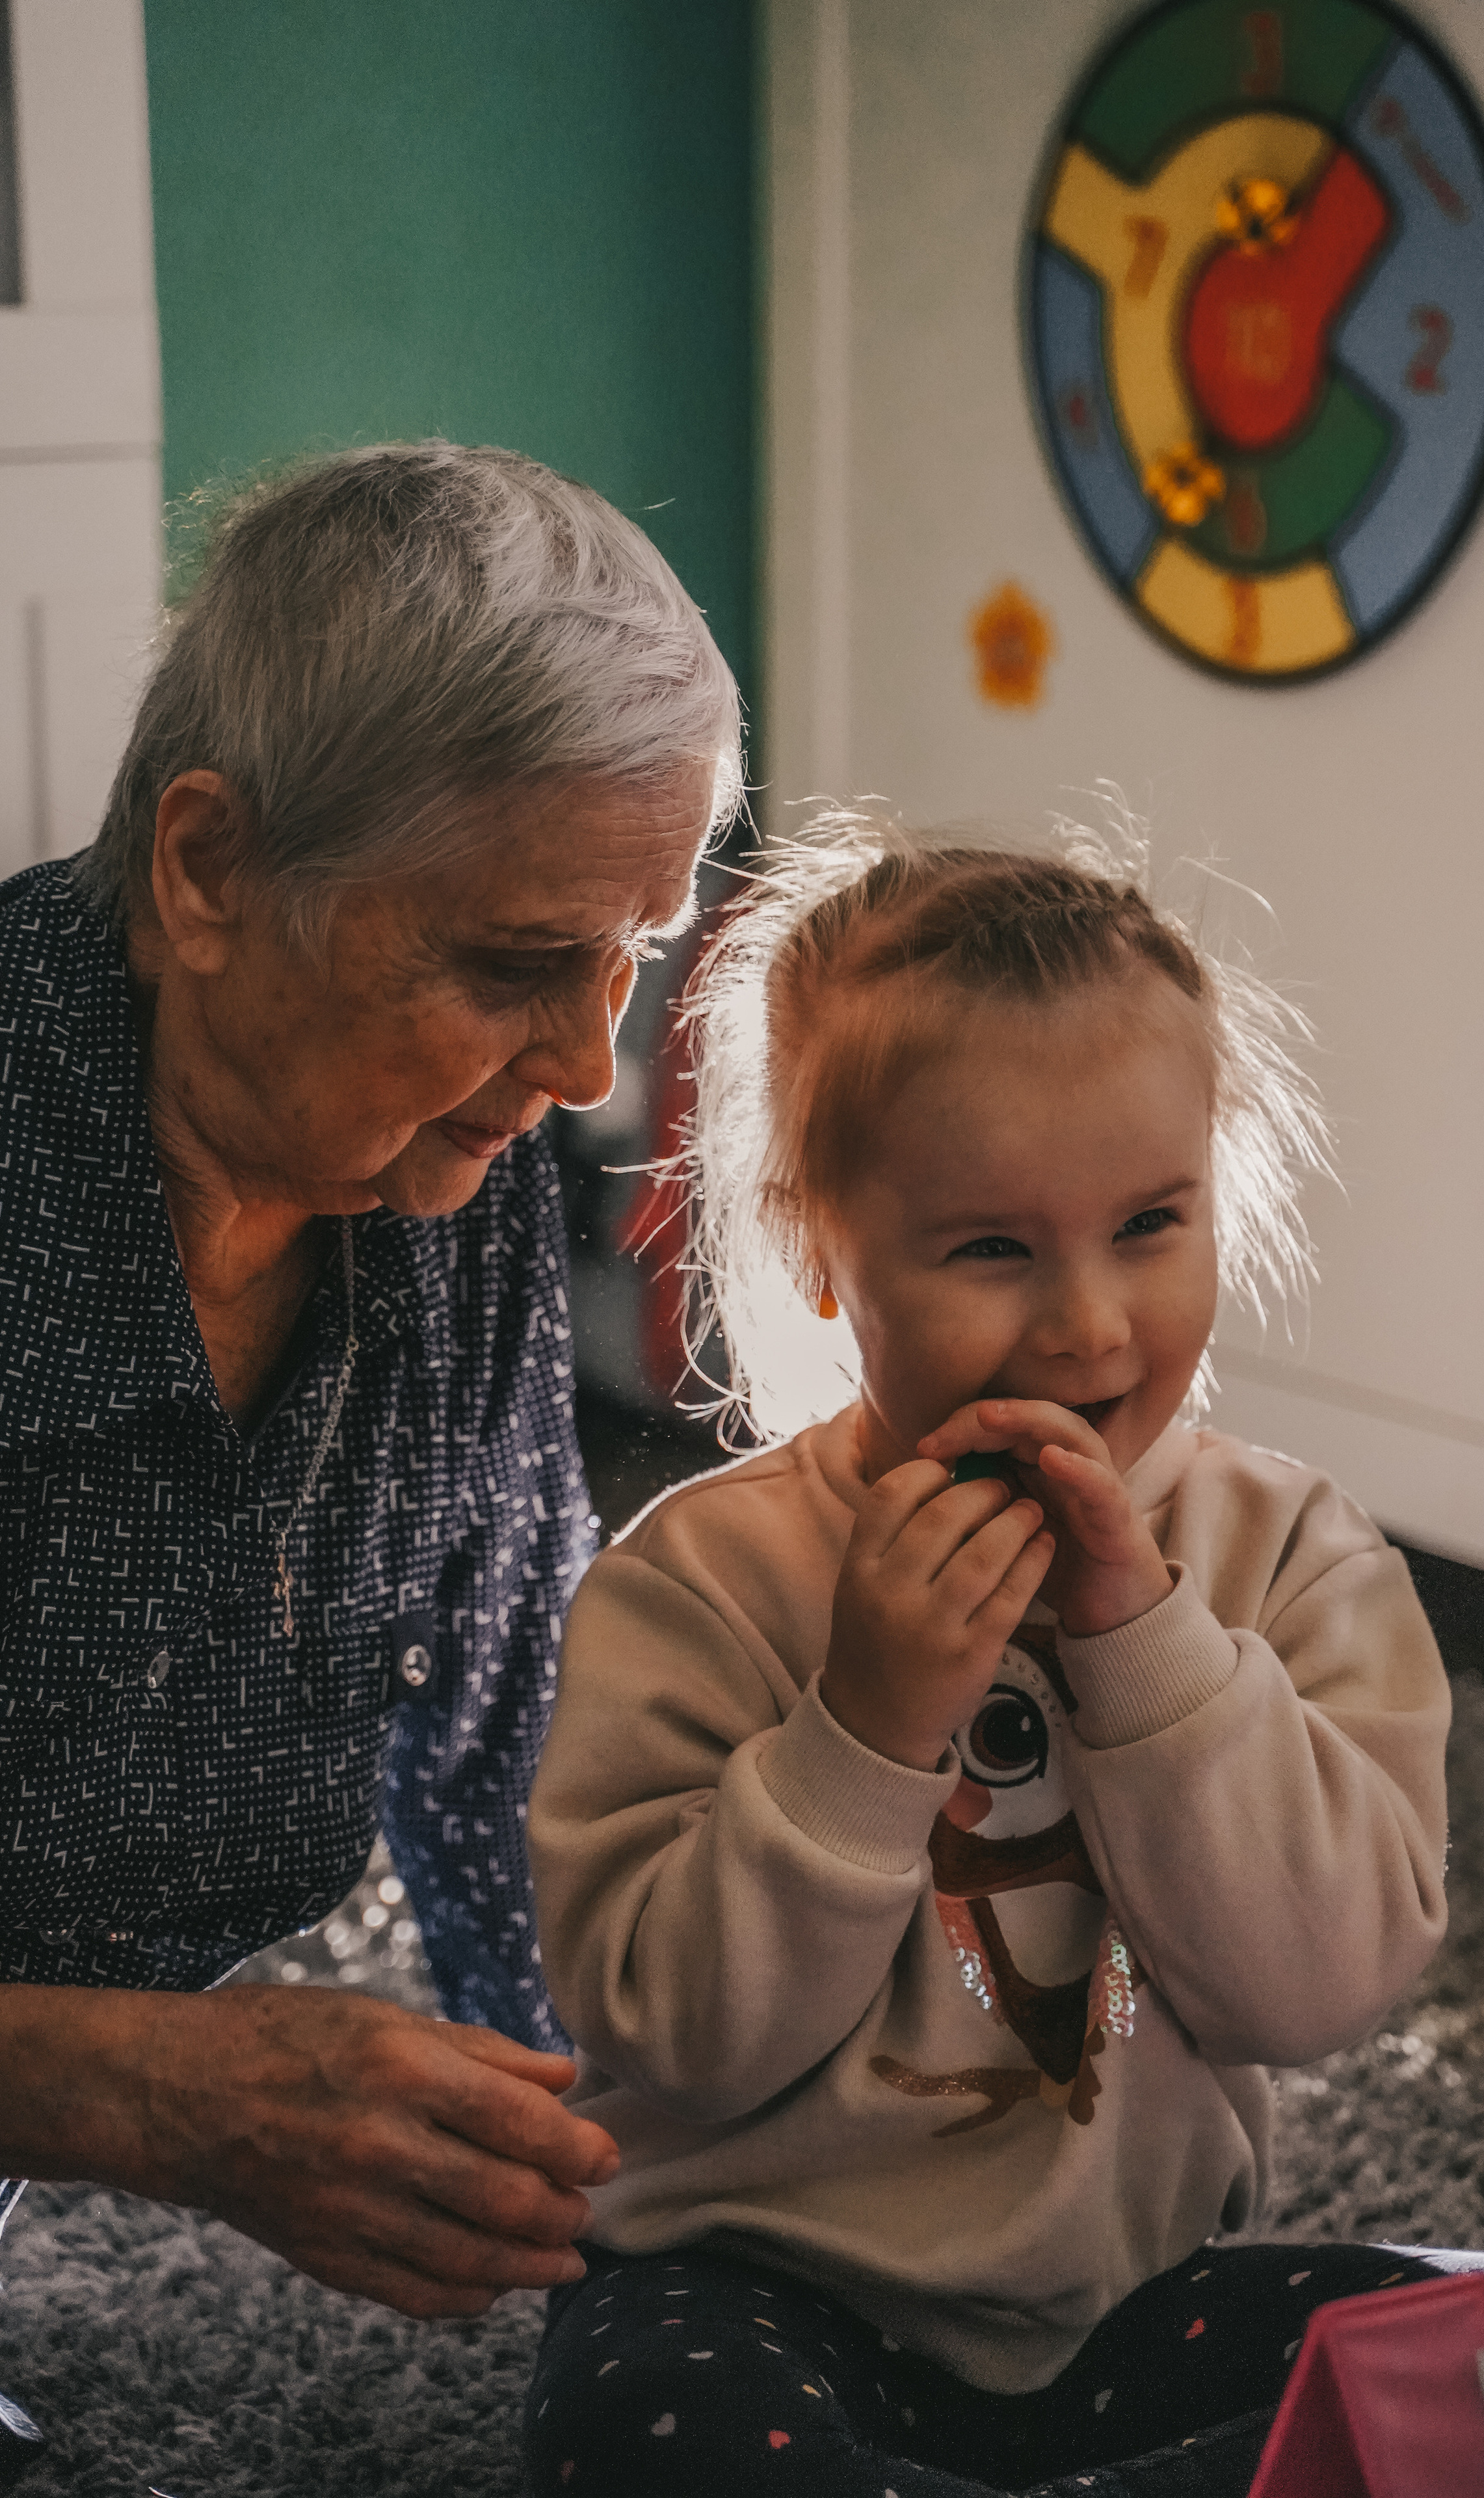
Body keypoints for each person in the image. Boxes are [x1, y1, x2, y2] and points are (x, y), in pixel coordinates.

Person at [522, 811, 1453, 2497]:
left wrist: (1153, 1654)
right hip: (757, 2296)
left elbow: (1313, 1991)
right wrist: (863, 1733)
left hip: (1131, 2313)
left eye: (1152, 1224)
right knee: (639, 2431)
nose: (1090, 1325)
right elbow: (677, 2038)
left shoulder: (1295, 1557)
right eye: (992, 1250)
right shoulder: (698, 1582)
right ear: (820, 1241)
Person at [0, 442, 743, 2468]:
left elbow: (508, 1699)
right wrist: (161, 2092)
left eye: (631, 960)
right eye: (512, 964)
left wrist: (596, 2119)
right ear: (210, 868)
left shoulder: (459, 1185)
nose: (591, 1066)